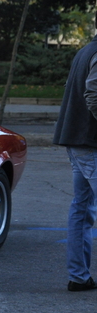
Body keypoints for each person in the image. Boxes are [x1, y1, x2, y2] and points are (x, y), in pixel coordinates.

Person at [53, 16, 97, 291]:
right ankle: (78, 276)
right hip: (90, 144)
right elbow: (93, 93)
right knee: (82, 209)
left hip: (77, 142)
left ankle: (79, 276)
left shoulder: (85, 51)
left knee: (81, 209)